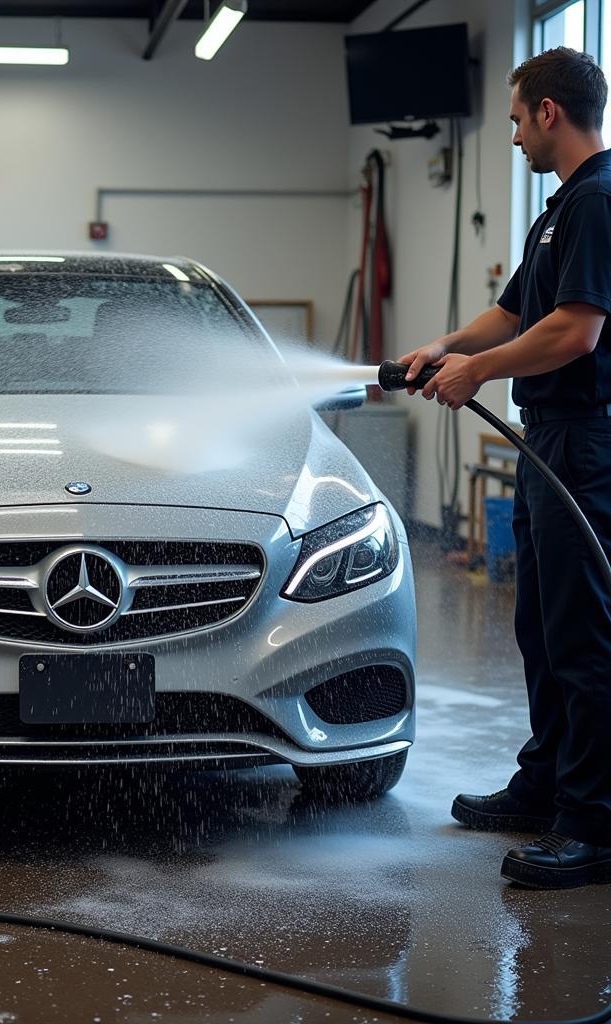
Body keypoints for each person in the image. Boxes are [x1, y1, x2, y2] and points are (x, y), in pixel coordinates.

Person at [399, 47, 611, 889]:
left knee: (584, 634)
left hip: (585, 443)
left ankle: (593, 824)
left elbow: (574, 331)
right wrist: (448, 345)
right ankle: (548, 786)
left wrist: (480, 372)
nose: (515, 136)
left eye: (519, 119)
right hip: (550, 439)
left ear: (550, 112)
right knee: (542, 628)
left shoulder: (597, 201)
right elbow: (521, 307)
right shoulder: (561, 208)